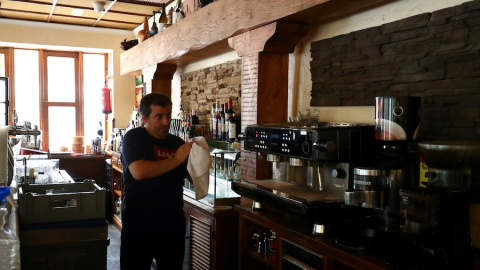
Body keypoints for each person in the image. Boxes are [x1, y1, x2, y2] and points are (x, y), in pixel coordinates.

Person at [120, 93, 193, 270]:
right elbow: (139, 171)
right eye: (159, 116)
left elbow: (190, 176)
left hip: (172, 224)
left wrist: (200, 160)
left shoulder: (176, 142)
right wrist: (176, 160)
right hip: (139, 223)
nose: (166, 122)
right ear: (144, 117)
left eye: (168, 115)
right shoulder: (134, 138)